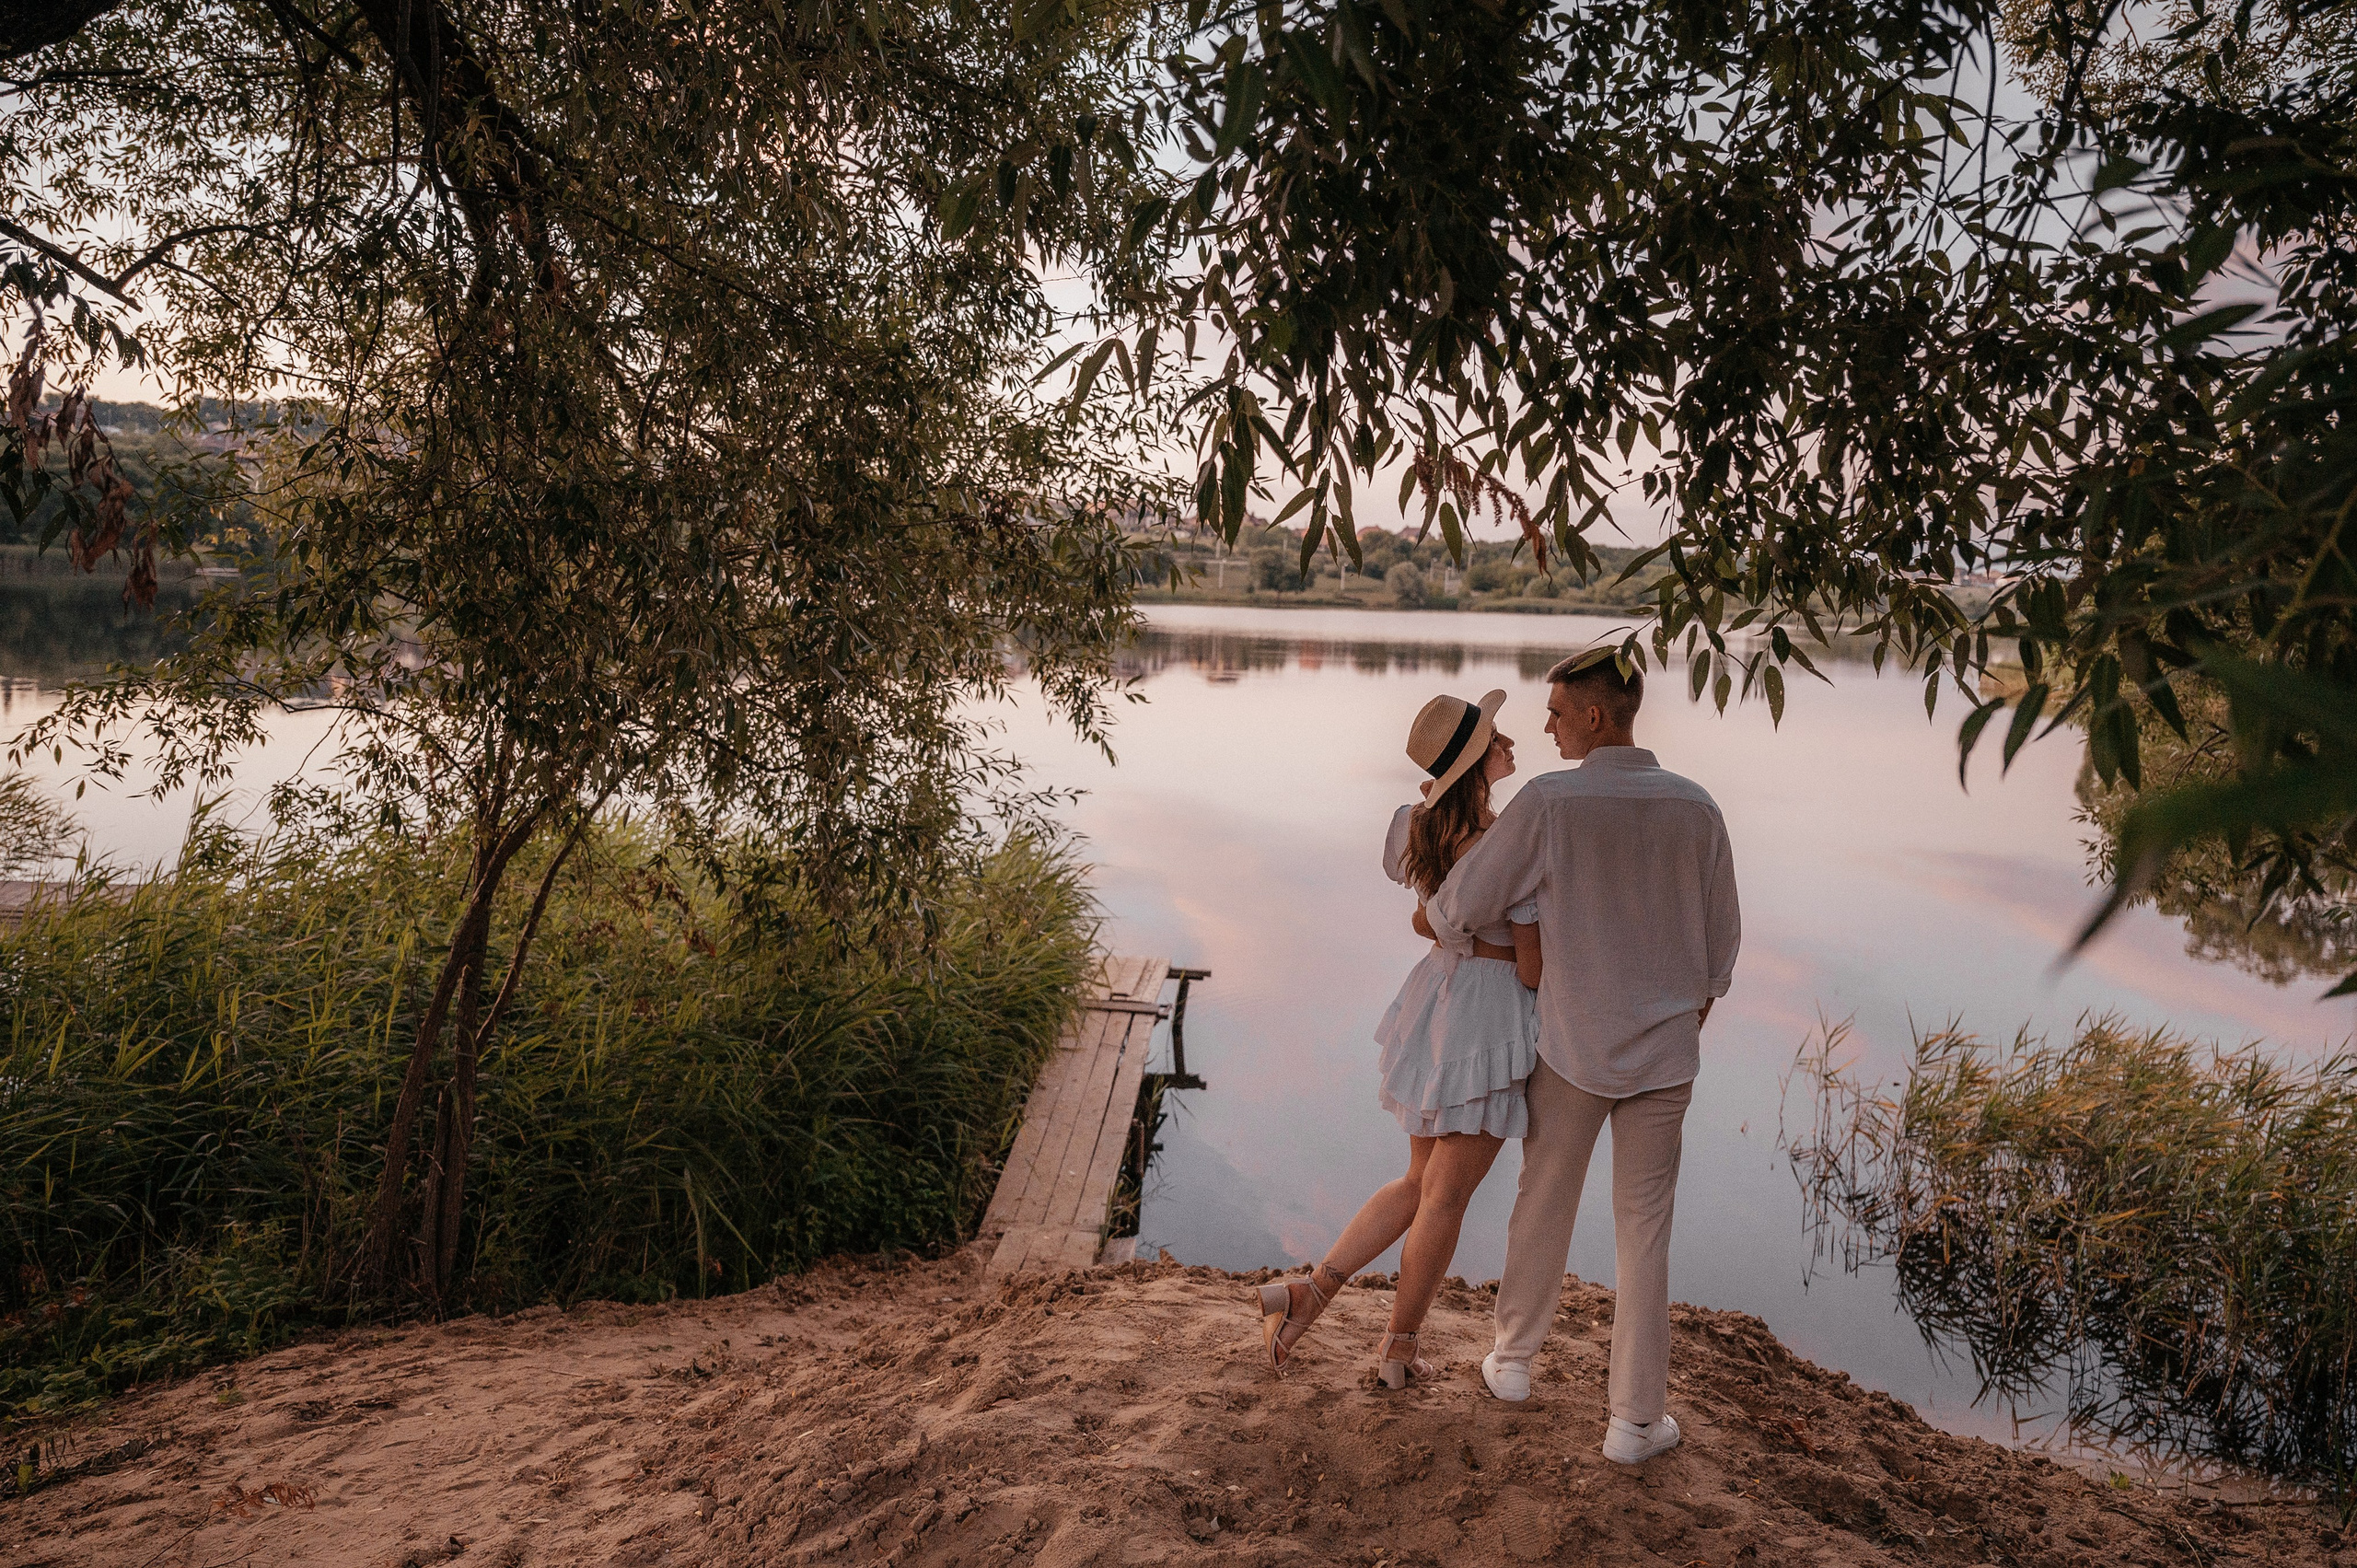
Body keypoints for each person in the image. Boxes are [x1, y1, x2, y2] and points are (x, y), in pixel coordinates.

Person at [1426, 646, 1739, 1466]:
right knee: (1646, 1230)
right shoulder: (1698, 807)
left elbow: (1460, 903)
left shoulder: (1549, 803)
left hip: (1569, 1044)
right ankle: (1634, 1422)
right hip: (1667, 1055)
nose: (1547, 724)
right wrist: (1675, 1023)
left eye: (1559, 711)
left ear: (1598, 715)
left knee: (1544, 1196)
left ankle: (1514, 1362)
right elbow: (1720, 957)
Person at [1252, 689, 1542, 1388]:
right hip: (1488, 1018)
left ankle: (1307, 1296)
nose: (1510, 741)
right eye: (1497, 737)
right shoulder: (1506, 848)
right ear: (1476, 763)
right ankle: (1398, 1354)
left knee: (1419, 1181)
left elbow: (1432, 920)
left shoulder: (1426, 829)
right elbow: (1531, 966)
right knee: (1445, 1197)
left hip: (1438, 1001)